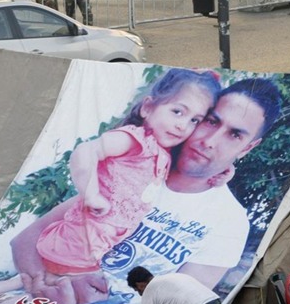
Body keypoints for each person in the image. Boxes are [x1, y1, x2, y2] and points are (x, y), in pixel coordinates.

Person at [10, 76, 282, 304]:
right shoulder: (136, 167)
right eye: (211, 121)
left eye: (235, 135)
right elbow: (26, 239)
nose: (209, 141)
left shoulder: (229, 223)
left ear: (247, 147)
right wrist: (40, 287)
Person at [35, 68, 221, 277]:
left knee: (42, 284)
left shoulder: (164, 153)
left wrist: (224, 172)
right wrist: (91, 194)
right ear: (148, 107)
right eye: (178, 112)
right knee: (59, 287)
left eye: (194, 120)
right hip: (77, 241)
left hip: (98, 250)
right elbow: (85, 151)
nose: (182, 126)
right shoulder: (135, 139)